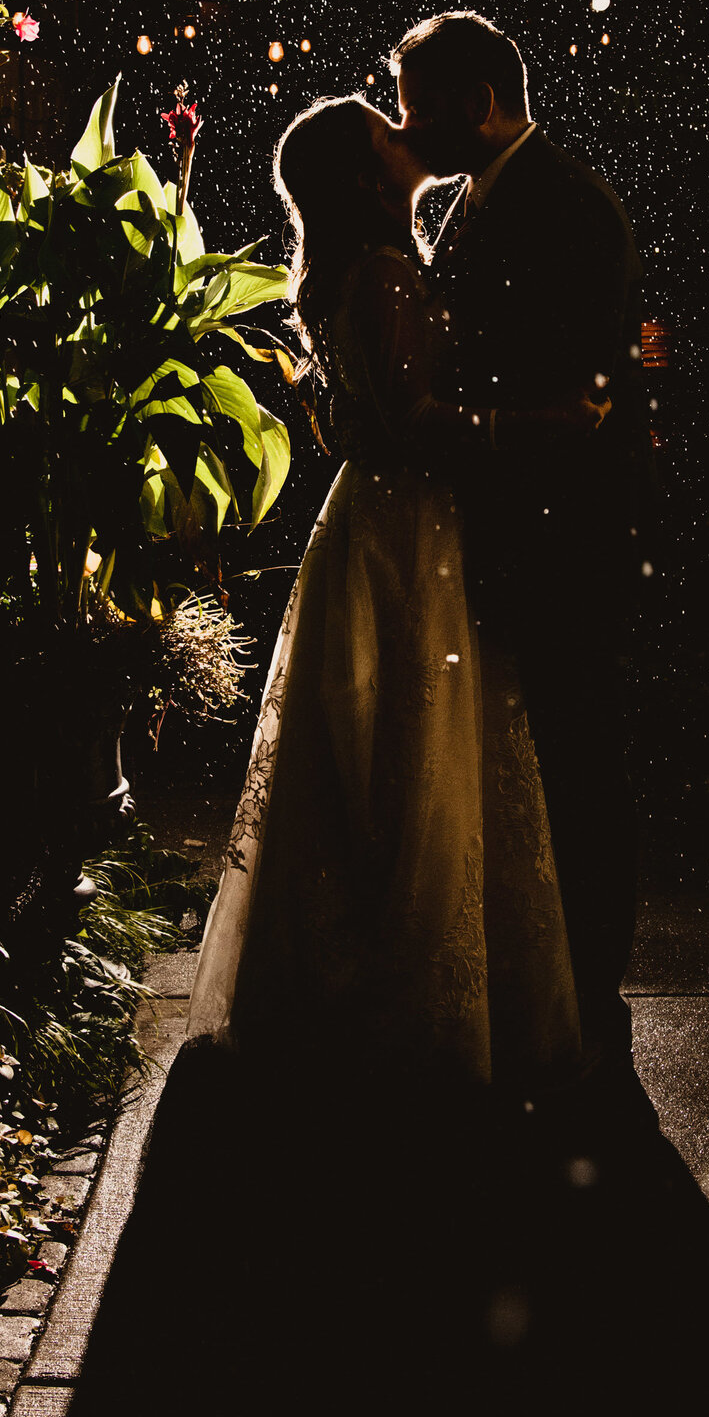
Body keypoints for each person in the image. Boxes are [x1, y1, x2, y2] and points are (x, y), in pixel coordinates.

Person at [186, 92, 604, 1092]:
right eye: (388, 130)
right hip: (409, 527)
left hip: (368, 525)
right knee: (412, 741)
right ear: (369, 176)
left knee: (370, 750)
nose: (407, 134)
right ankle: (410, 998)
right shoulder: (381, 272)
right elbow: (417, 421)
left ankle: (354, 973)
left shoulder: (356, 271)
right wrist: (542, 424)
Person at [391, 11, 655, 1075]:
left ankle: (590, 994)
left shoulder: (569, 205)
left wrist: (471, 433)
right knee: (528, 765)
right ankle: (535, 977)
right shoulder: (469, 203)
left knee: (580, 762)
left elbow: (581, 393)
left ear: (472, 101)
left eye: (415, 100)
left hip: (566, 539)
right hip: (500, 533)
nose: (406, 125)